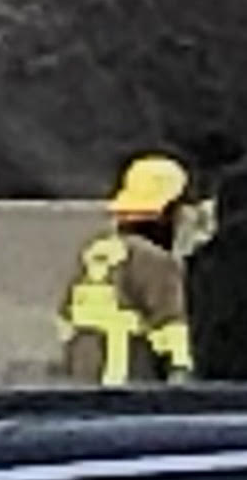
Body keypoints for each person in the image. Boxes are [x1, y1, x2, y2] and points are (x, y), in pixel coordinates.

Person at [58, 153, 197, 384]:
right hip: (129, 389)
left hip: (84, 385)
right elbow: (172, 330)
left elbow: (65, 320)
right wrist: (181, 373)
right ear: (167, 213)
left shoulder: (94, 253)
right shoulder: (156, 263)